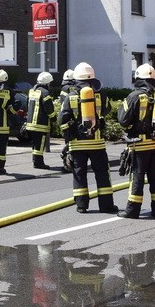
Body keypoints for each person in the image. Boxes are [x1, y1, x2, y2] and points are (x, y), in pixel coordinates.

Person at [59, 62, 118, 214]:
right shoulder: (101, 95)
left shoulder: (71, 97)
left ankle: (81, 205)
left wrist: (71, 133)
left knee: (79, 174)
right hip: (97, 143)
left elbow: (62, 120)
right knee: (102, 174)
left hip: (78, 145)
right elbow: (108, 109)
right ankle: (106, 205)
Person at [117, 63, 155, 218]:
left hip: (139, 144)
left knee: (137, 178)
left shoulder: (134, 96)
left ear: (138, 78)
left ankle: (132, 211)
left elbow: (123, 119)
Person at [25, 71, 57, 169]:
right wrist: (54, 118)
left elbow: (27, 105)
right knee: (40, 144)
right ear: (47, 83)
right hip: (40, 124)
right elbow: (49, 108)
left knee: (35, 144)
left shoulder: (32, 91)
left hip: (30, 123)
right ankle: (39, 163)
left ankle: (35, 161)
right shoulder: (45, 93)